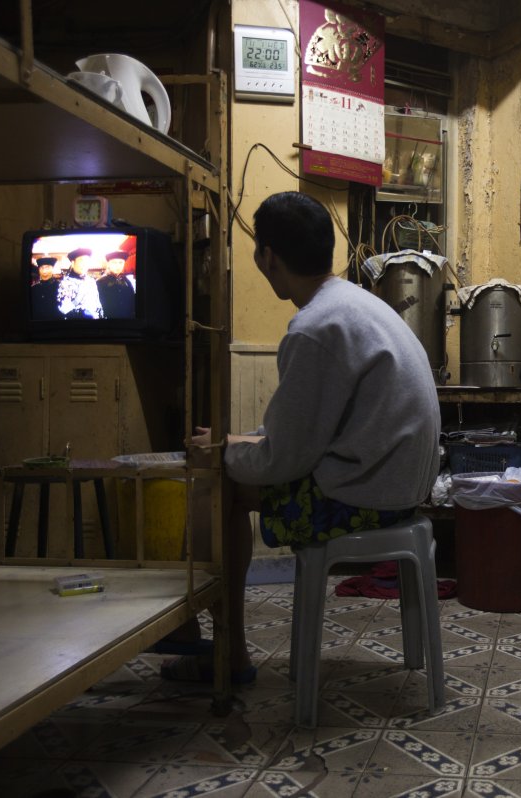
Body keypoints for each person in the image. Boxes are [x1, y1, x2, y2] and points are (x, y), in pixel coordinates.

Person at [159, 190, 442, 684]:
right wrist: (235, 442)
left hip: (362, 496)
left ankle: (228, 655)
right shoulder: (355, 304)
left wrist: (224, 456)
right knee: (228, 464)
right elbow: (305, 430)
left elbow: (283, 462)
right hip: (400, 488)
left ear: (269, 257)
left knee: (216, 489)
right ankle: (200, 636)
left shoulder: (314, 327)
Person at [57, 247, 104, 319]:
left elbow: (97, 304)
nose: (84, 264)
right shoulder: (65, 283)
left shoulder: (91, 281)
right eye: (81, 261)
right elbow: (64, 309)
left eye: (87, 261)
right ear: (73, 263)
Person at [97, 249, 136, 319]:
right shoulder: (100, 282)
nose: (118, 266)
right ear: (109, 264)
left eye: (121, 262)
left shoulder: (127, 281)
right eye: (114, 263)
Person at [30, 256, 62, 320]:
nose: (44, 271)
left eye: (47, 268)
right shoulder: (34, 288)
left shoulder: (61, 287)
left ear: (52, 269)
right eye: (41, 268)